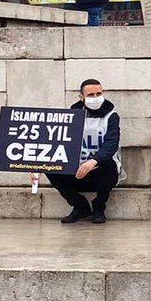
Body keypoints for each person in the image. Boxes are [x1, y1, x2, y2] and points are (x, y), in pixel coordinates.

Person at [46, 79, 124, 224]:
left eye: (98, 93)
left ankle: (99, 207)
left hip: (101, 172)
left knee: (109, 165)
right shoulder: (71, 116)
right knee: (50, 168)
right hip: (77, 172)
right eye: (91, 95)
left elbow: (111, 144)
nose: (95, 98)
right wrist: (36, 165)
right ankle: (80, 206)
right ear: (81, 98)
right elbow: (56, 143)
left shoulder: (111, 116)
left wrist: (93, 161)